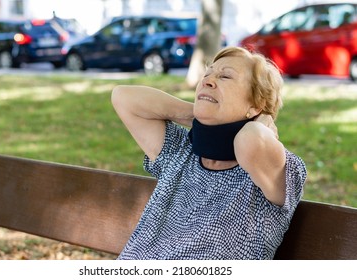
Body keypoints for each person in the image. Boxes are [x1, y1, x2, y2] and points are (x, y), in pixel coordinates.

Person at [111, 46, 307, 260]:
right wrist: (201, 113)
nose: (207, 81)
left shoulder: (269, 173)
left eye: (225, 76)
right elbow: (123, 97)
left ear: (256, 104)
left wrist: (262, 120)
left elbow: (250, 141)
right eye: (207, 74)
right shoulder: (181, 151)